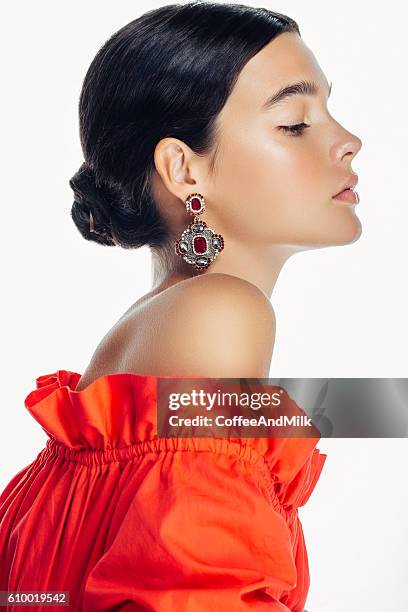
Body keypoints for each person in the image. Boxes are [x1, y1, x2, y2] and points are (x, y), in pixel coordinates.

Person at [0, 2, 362, 610]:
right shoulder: (221, 313)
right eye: (296, 123)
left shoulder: (158, 333)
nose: (350, 142)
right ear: (182, 168)